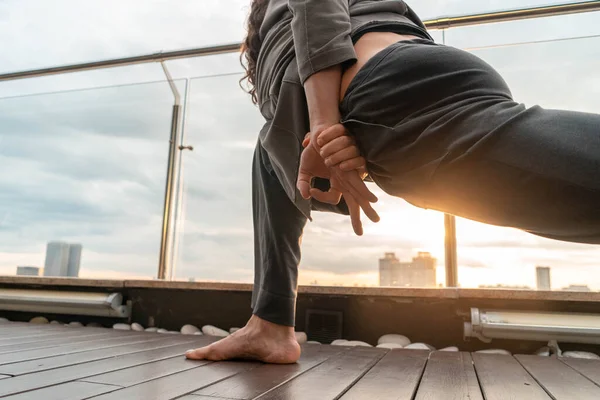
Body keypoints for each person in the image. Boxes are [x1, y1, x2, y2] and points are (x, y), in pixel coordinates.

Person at [186, 0, 600, 363]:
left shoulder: (294, 36)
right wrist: (330, 137)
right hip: (407, 83)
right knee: (269, 155)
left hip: (391, 93)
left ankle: (270, 326)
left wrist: (325, 126)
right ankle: (269, 324)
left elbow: (317, 4)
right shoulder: (286, 117)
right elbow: (276, 156)